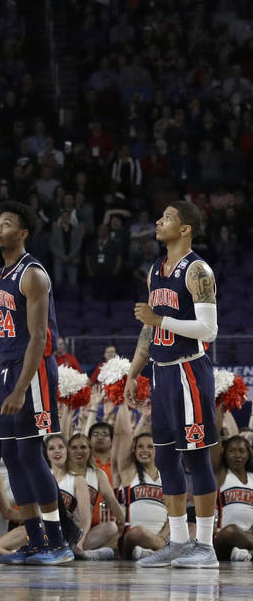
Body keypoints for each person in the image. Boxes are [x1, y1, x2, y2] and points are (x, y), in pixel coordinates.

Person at [125, 201, 220, 569]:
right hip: (161, 373)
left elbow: (208, 330)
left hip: (190, 371)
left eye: (166, 218)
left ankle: (206, 547)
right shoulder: (155, 269)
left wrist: (160, 318)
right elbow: (149, 327)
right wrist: (135, 371)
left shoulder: (198, 270)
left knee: (196, 457)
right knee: (165, 458)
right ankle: (179, 542)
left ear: (185, 229)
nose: (157, 221)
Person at [0, 201, 73, 564]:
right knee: (13, 458)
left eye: (8, 223)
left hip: (32, 371)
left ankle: (58, 542)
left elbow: (38, 338)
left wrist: (19, 388)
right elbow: (4, 338)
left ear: (23, 233)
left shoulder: (33, 274)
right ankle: (34, 541)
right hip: (6, 371)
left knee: (31, 456)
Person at [212, 436, 253, 562]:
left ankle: (244, 552)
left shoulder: (252, 478)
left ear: (249, 453)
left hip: (250, 534)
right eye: (232, 451)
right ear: (224, 453)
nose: (237, 455)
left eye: (241, 451)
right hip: (225, 536)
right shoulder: (221, 474)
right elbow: (214, 449)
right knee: (231, 530)